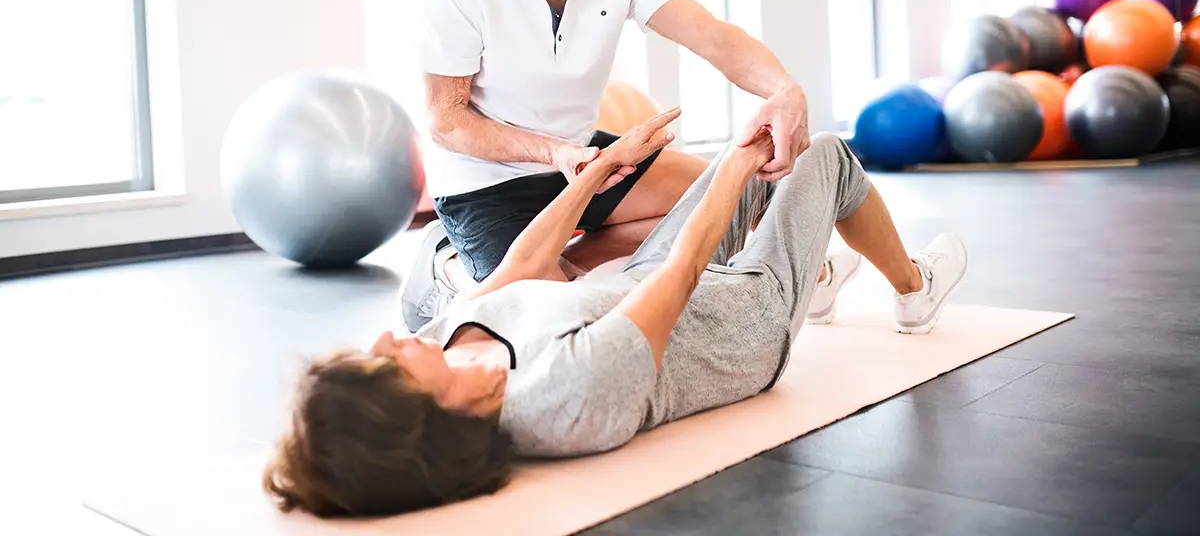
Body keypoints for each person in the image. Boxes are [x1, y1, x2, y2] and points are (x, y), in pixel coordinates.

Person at [263, 110, 969, 518]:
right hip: (740, 315)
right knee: (823, 155)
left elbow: (522, 268)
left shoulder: (443, 350)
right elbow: (688, 273)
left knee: (748, 172)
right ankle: (915, 288)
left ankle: (820, 266)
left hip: (638, 277)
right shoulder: (565, 400)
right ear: (413, 412)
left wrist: (600, 168)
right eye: (384, 361)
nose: (388, 337)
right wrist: (735, 162)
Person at [400, 0, 815, 331]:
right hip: (485, 184)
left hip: (585, 160)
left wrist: (784, 89)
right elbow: (445, 121)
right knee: (552, 323)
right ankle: (451, 268)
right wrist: (556, 154)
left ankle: (570, 261)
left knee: (738, 198)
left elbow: (711, 36)